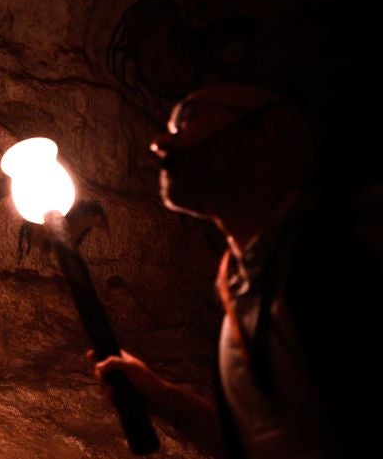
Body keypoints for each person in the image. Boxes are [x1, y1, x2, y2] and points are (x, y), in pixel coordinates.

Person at [90, 83, 382, 458]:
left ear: (262, 131)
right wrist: (162, 397)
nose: (160, 142)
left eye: (189, 119)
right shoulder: (242, 289)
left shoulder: (356, 240)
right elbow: (253, 443)